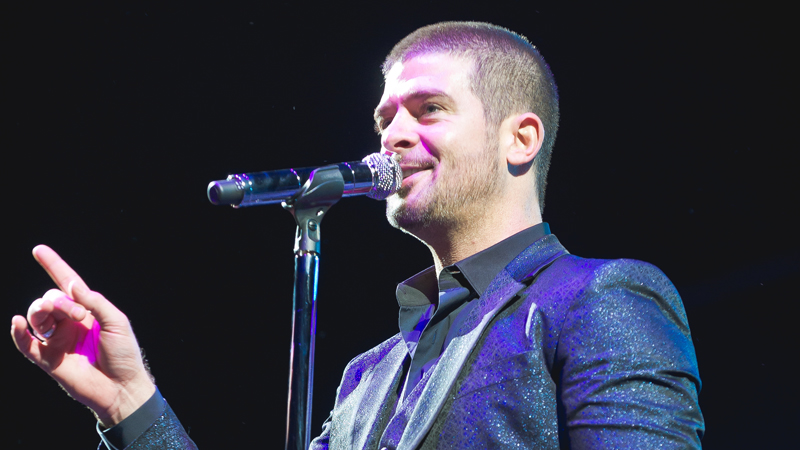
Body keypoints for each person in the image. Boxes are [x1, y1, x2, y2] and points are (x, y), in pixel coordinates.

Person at [11, 21, 704, 449]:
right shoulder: (365, 378)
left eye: (429, 109)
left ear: (519, 138)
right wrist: (130, 403)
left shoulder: (600, 297)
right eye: (384, 118)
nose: (393, 135)